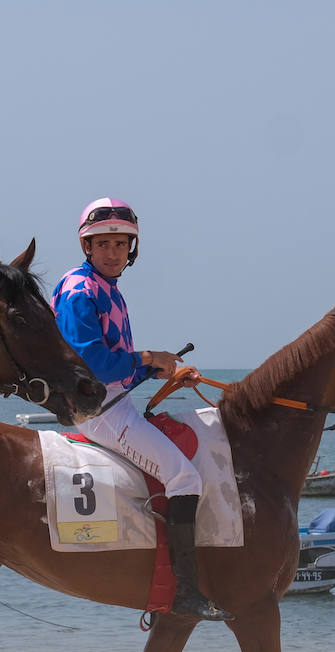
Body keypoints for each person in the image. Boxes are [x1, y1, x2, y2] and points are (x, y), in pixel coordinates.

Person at [49, 198, 228, 621]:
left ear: (131, 249)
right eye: (103, 244)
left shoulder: (107, 290)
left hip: (112, 402)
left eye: (120, 244)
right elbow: (95, 366)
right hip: (99, 413)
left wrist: (164, 372)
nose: (112, 252)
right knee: (185, 477)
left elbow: (117, 373)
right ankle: (186, 593)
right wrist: (150, 357)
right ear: (86, 247)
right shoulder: (80, 291)